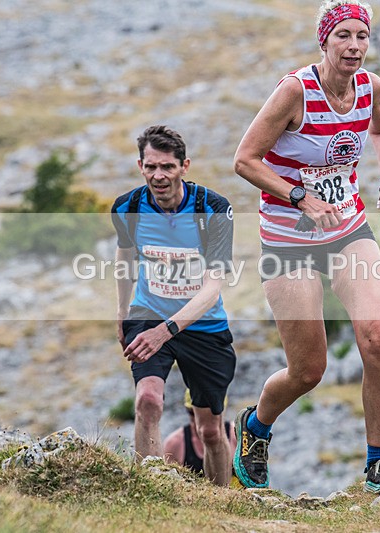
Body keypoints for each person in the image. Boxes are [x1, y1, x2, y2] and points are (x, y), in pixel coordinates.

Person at [231, 0, 380, 494]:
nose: (354, 46)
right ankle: (256, 427)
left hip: (348, 230)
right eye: (343, 37)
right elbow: (245, 160)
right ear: (324, 41)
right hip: (289, 240)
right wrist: (300, 196)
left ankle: (378, 463)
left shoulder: (371, 87)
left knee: (377, 338)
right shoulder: (295, 91)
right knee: (308, 370)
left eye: (362, 36)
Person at [111, 125, 236, 486]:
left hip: (202, 324)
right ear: (140, 166)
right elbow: (125, 260)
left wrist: (166, 332)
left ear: (185, 166)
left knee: (210, 430)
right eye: (150, 167)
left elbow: (213, 287)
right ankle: (149, 493)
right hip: (148, 315)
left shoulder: (212, 209)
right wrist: (122, 314)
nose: (158, 176)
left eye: (167, 167)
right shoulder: (128, 207)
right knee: (148, 400)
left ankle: (219, 505)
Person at [163, 389, 237, 475]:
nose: (199, 419)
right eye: (192, 413)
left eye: (208, 414)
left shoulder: (237, 436)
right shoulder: (174, 444)